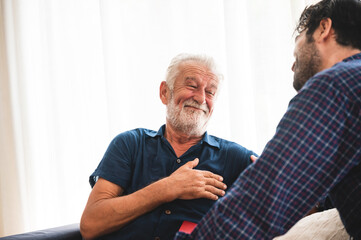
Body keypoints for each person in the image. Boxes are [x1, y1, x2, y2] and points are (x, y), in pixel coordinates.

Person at [174, 0, 361, 239]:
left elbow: (261, 202)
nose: (293, 65)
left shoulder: (334, 85)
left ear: (324, 28)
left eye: (297, 50)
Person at [80, 53, 256, 240]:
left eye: (210, 92)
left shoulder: (235, 157)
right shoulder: (130, 144)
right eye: (192, 86)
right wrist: (167, 188)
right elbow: (91, 225)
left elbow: (280, 199)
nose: (201, 98)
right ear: (165, 92)